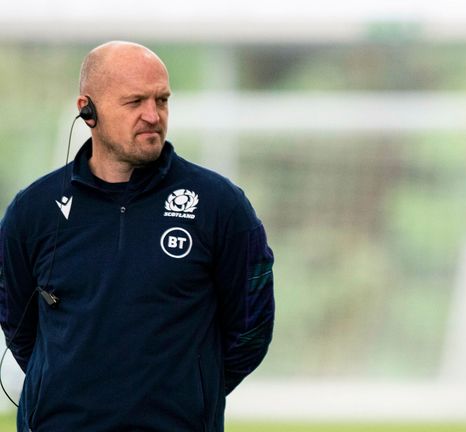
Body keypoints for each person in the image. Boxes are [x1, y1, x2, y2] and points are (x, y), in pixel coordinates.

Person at [0, 41, 275, 431]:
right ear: (87, 111)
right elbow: (17, 321)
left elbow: (252, 327)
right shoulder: (33, 211)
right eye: (135, 102)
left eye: (162, 100)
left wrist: (190, 393)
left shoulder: (220, 206)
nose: (153, 115)